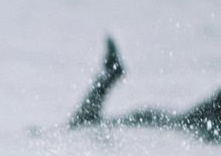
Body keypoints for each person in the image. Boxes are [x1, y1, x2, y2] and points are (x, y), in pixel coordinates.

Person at [70, 36, 221, 143]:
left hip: (167, 124)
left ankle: (110, 75)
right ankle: (109, 75)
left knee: (82, 125)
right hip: (168, 123)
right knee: (84, 125)